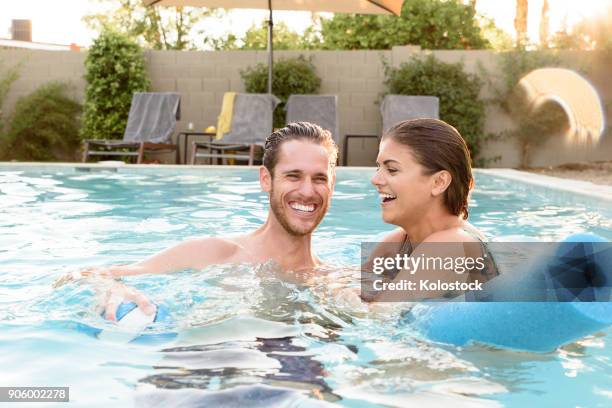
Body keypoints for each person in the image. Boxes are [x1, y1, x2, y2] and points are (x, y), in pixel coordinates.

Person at [54, 122, 338, 320]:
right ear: (266, 179)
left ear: (332, 185)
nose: (307, 191)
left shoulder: (335, 283)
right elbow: (76, 277)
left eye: (319, 178)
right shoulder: (216, 252)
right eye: (293, 176)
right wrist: (110, 288)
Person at [364, 118, 498, 301]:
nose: (375, 179)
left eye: (392, 169)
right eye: (378, 167)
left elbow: (377, 316)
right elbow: (357, 286)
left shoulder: (451, 245)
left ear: (438, 182)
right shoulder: (398, 243)